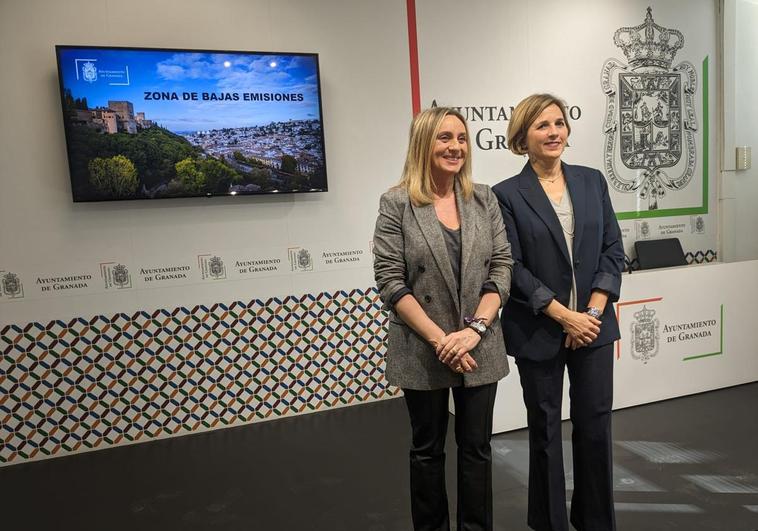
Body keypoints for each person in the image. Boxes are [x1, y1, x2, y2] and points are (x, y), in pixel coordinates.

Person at [373, 107, 513, 531]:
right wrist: (441, 340)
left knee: (477, 450)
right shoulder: (396, 202)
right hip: (422, 346)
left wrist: (473, 331)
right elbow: (390, 281)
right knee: (427, 451)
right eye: (444, 138)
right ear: (423, 144)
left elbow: (502, 267)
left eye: (461, 138)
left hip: (479, 344)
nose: (455, 147)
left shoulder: (484, 198)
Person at [491, 94, 624, 531]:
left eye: (559, 123)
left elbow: (612, 250)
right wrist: (563, 316)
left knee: (595, 428)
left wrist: (591, 312)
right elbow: (512, 266)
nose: (554, 133)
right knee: (545, 432)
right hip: (540, 330)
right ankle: (548, 524)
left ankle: (595, 521)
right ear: (521, 138)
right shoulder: (505, 195)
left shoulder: (592, 180)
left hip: (594, 327)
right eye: (541, 126)